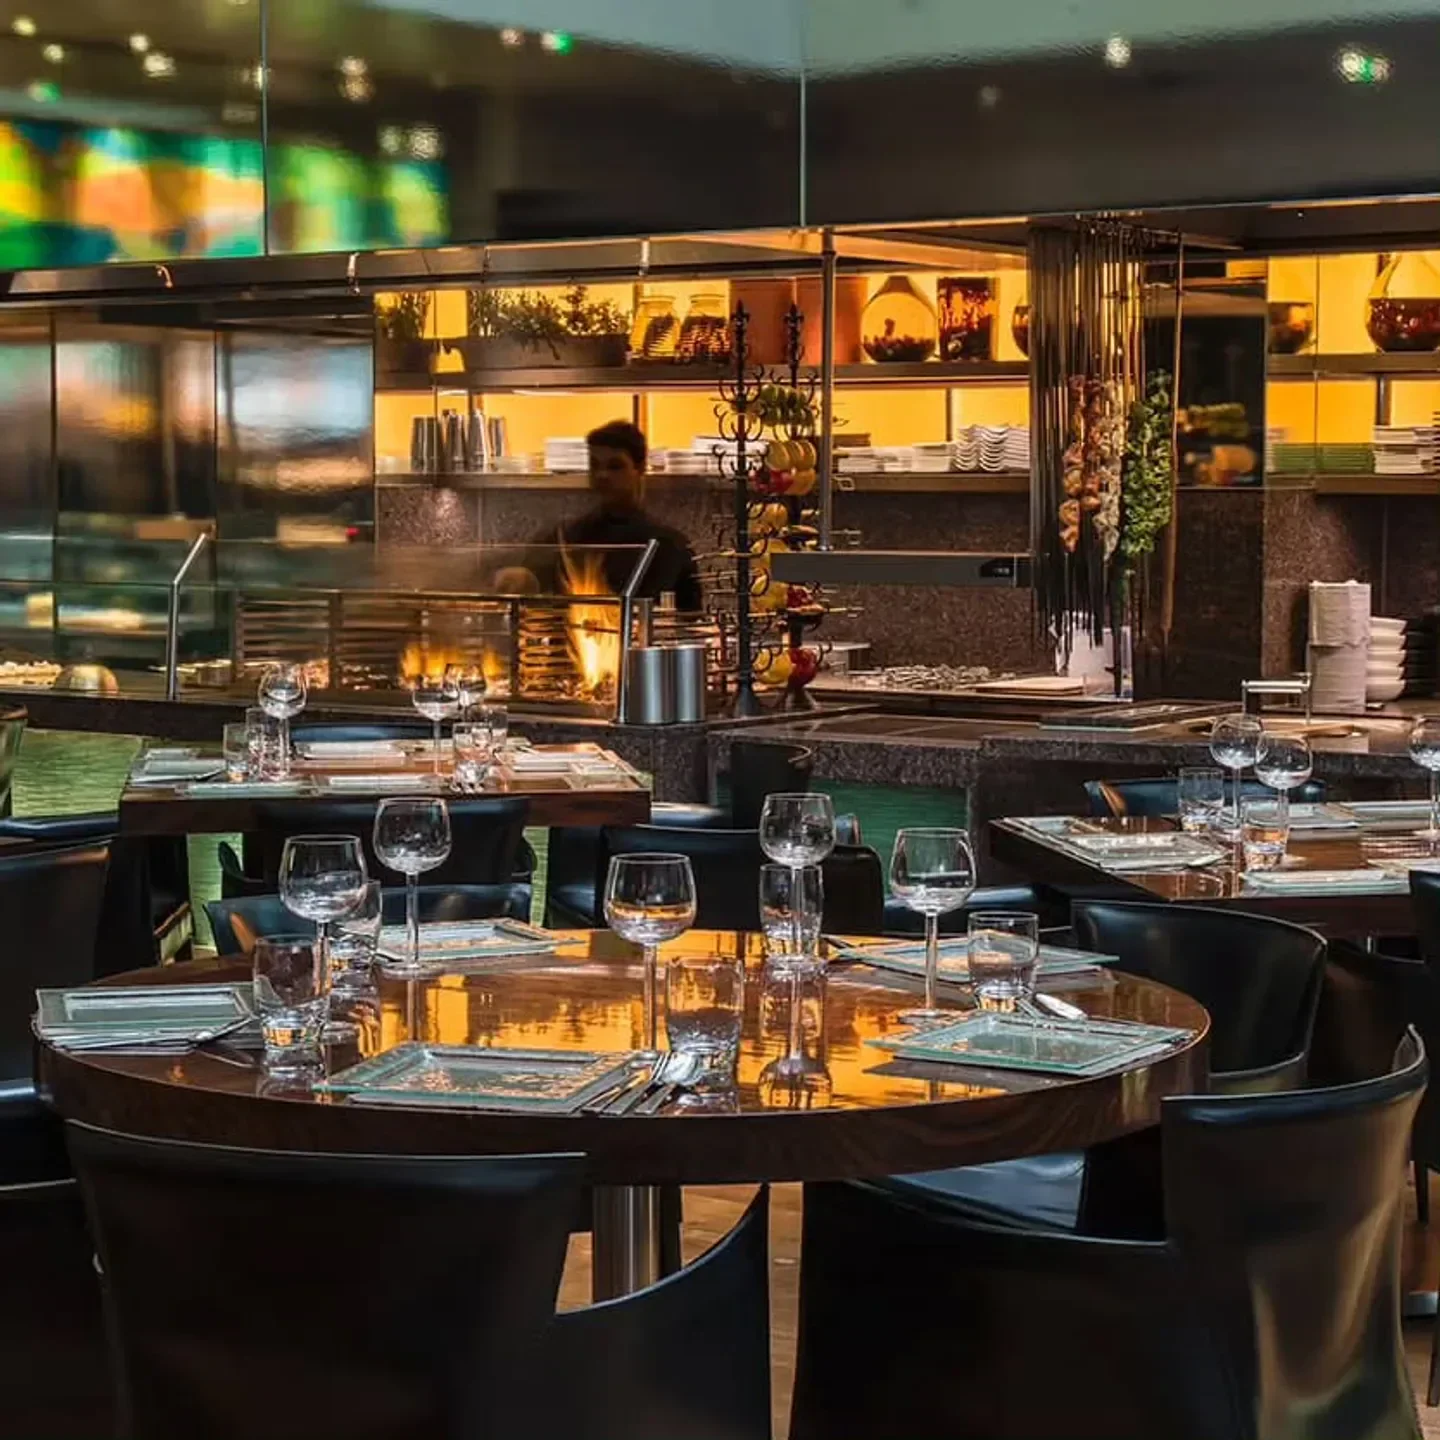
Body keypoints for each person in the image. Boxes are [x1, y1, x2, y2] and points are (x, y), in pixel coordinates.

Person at [511, 420, 703, 609]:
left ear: (640, 468)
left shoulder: (670, 547)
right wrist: (518, 579)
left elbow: (691, 621)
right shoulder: (564, 539)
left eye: (615, 466)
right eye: (595, 465)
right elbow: (528, 588)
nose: (602, 475)